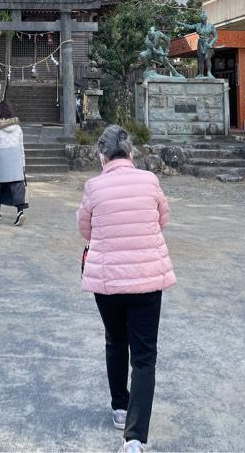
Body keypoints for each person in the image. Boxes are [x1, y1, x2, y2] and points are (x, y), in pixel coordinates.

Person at [77, 125, 176, 453]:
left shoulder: (93, 187)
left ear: (102, 157)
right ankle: (134, 439)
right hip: (147, 277)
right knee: (145, 356)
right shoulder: (150, 180)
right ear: (131, 153)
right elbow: (163, 218)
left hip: (108, 281)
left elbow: (85, 229)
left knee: (116, 341)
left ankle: (120, 406)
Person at [0, 99, 28, 226]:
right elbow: (21, 148)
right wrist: (23, 165)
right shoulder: (18, 128)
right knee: (18, 187)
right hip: (16, 161)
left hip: (2, 163)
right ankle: (20, 212)